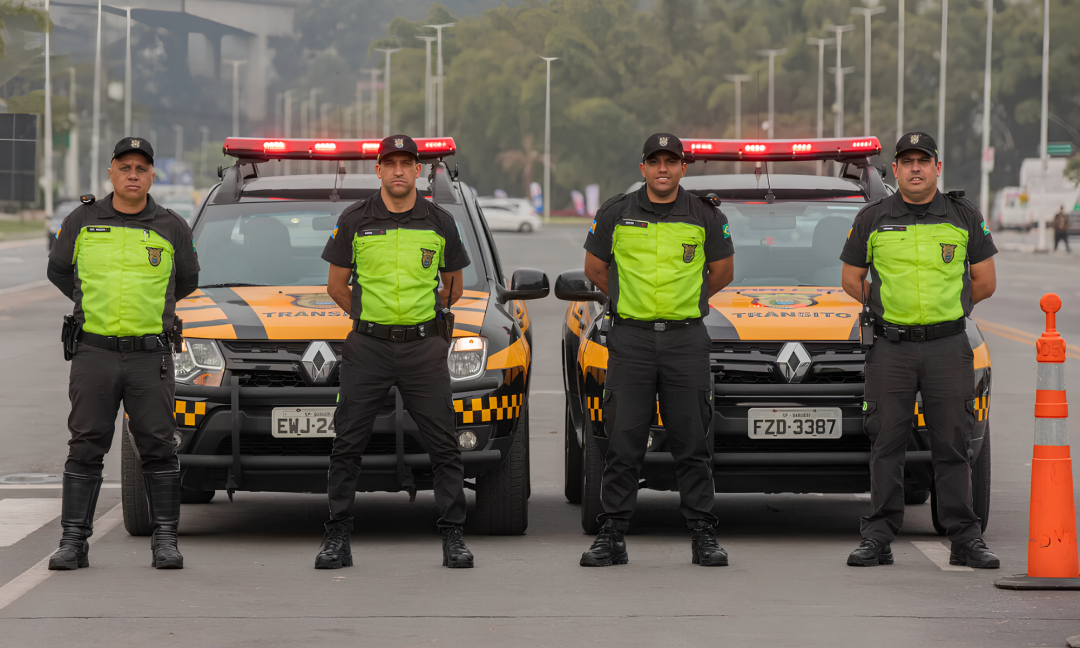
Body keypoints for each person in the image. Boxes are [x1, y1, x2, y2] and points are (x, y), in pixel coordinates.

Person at [840, 132, 1000, 569]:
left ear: (936, 168)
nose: (915, 168)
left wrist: (951, 310)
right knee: (886, 441)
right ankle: (878, 535)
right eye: (907, 161)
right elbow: (851, 279)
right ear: (895, 169)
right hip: (890, 348)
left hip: (948, 346)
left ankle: (965, 538)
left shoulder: (963, 215)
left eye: (922, 161)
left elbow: (984, 281)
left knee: (952, 442)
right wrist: (885, 308)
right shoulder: (873, 216)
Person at [317, 134, 473, 569]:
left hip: (424, 348)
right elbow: (336, 286)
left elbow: (454, 286)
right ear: (379, 170)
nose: (399, 170)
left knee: (444, 443)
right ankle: (338, 536)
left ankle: (453, 536)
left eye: (407, 163)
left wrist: (426, 319)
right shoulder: (355, 219)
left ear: (418, 170)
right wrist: (372, 319)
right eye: (391, 163)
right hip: (368, 347)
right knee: (348, 442)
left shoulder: (439, 221)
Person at [578, 133, 735, 567]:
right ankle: (612, 534)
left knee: (692, 440)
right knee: (624, 440)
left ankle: (703, 534)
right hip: (631, 340)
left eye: (671, 161)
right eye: (654, 161)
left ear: (684, 168)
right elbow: (595, 268)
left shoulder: (704, 213)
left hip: (686, 340)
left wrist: (688, 301)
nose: (663, 168)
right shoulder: (616, 212)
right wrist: (630, 301)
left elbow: (723, 270)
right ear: (642, 168)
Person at [46, 137, 200, 570]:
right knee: (86, 445)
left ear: (152, 176)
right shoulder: (82, 219)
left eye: (142, 169)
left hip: (150, 357)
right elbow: (59, 270)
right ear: (111, 171)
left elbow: (186, 280)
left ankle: (165, 540)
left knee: (158, 447)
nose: (133, 175)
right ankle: (73, 542)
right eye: (125, 167)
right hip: (93, 353)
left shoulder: (171, 226)